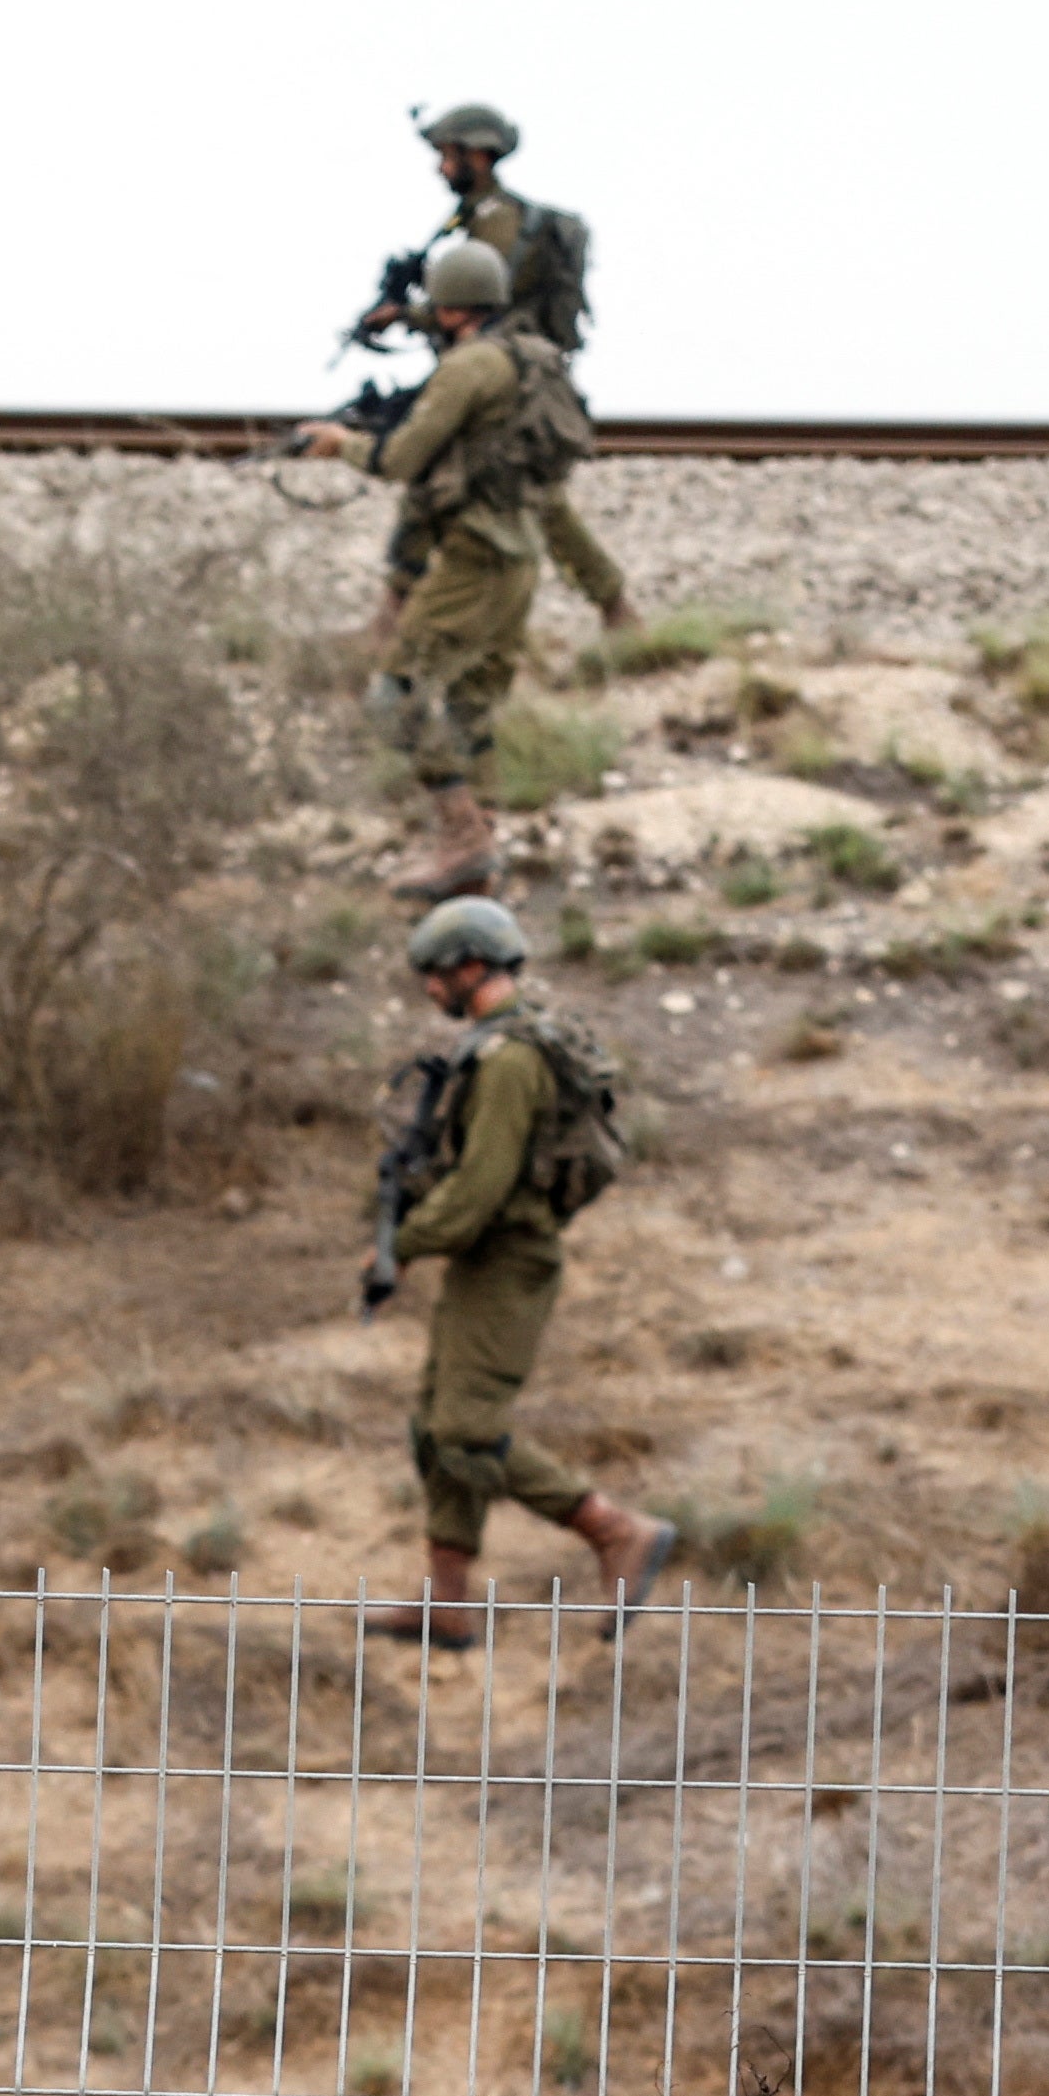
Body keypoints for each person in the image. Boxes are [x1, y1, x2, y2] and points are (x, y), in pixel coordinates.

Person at [355, 894, 676, 1646]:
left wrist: (401, 1245)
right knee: (433, 1424)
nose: (430, 991)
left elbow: (478, 1192)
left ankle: (612, 1529)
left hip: (509, 1260)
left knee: (465, 1427)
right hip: (485, 1258)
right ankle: (447, 1597)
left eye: (436, 976)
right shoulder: (496, 1045)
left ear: (471, 966)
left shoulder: (511, 1061)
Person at [301, 237, 583, 906]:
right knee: (472, 708)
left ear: (451, 306)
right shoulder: (525, 356)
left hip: (472, 555)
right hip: (519, 554)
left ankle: (462, 839)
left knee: (394, 696)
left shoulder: (465, 371)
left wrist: (339, 445)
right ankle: (476, 861)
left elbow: (401, 459)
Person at [354, 100, 636, 635]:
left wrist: (409, 315)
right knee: (445, 485)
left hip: (507, 377)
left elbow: (485, 303)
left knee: (529, 498)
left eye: (449, 155)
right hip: (500, 368)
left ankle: (615, 606)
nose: (442, 168)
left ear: (478, 156)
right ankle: (392, 613)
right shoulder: (479, 217)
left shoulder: (497, 222)